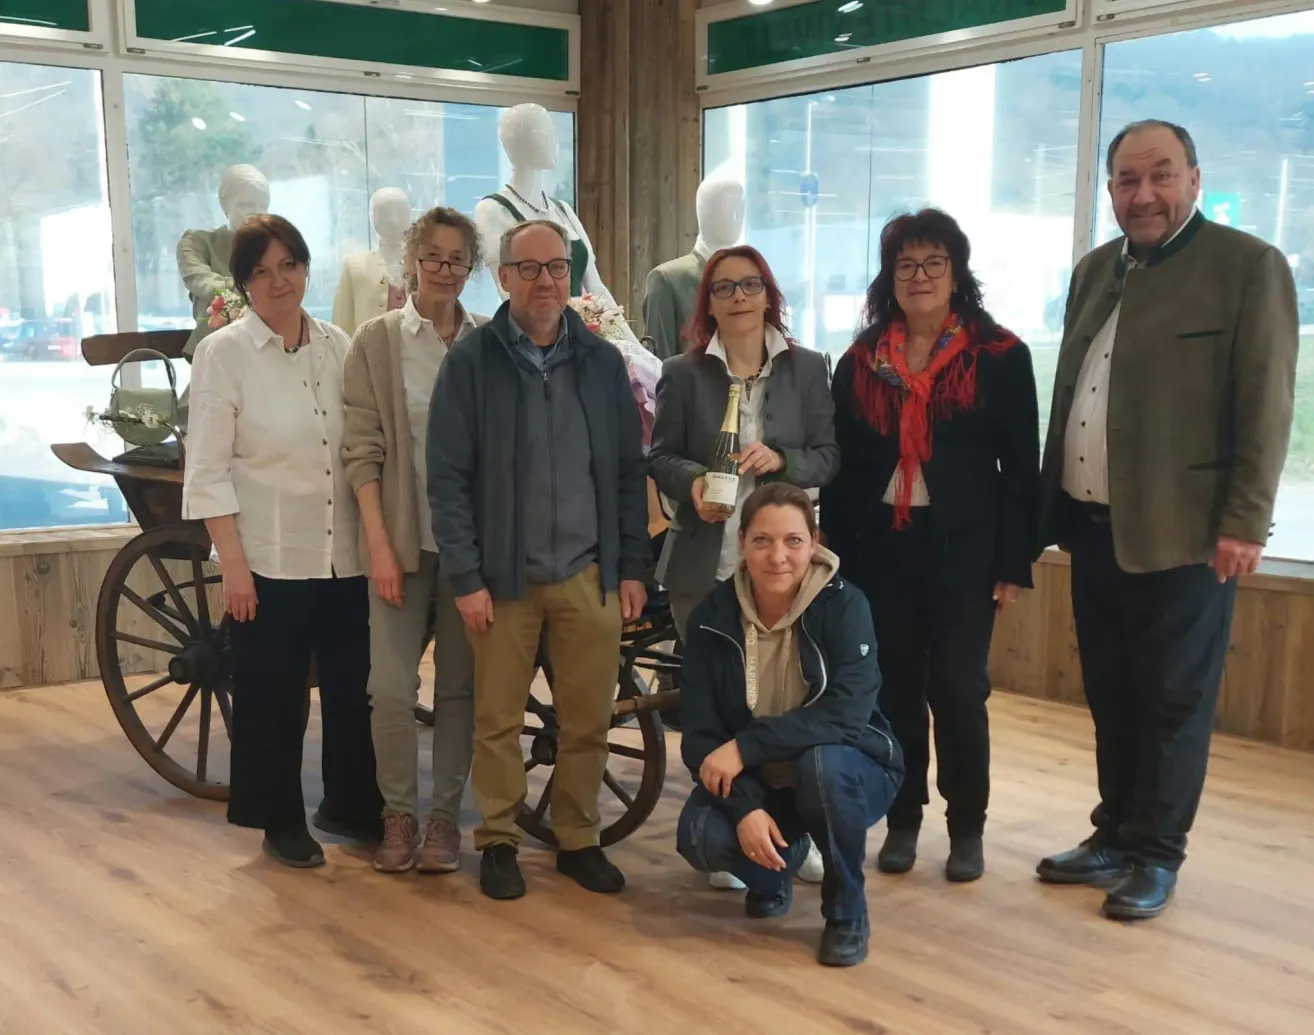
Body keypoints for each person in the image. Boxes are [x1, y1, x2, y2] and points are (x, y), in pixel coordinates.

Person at [1035, 120, 1298, 920]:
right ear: (1109, 189)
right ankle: (1114, 831)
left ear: (1194, 178)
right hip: (1092, 527)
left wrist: (1245, 520)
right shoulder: (1093, 272)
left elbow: (1267, 403)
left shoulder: (1247, 267)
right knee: (1112, 695)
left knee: (1172, 700)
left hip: (1186, 535)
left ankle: (1157, 852)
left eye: (1160, 175)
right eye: (1126, 179)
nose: (1142, 194)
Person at [427, 219, 650, 900]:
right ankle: (498, 837)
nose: (546, 280)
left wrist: (633, 567)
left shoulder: (602, 363)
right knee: (496, 718)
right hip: (503, 576)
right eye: (530, 269)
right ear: (503, 278)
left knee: (587, 717)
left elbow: (623, 472)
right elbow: (448, 478)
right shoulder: (470, 363)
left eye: (557, 267)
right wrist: (466, 576)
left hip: (589, 572)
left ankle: (577, 836)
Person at [820, 208, 1038, 883]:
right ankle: (904, 814)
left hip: (963, 552)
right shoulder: (862, 360)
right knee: (894, 688)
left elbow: (1021, 468)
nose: (919, 276)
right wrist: (837, 552)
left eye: (933, 262)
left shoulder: (998, 355)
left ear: (956, 273)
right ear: (890, 276)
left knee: (959, 688)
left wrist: (1012, 562)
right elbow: (845, 465)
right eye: (906, 264)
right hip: (879, 549)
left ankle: (965, 823)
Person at [182, 214, 383, 868]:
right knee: (274, 695)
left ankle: (350, 804)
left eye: (288, 265)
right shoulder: (224, 354)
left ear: (304, 268)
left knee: (355, 686)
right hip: (268, 559)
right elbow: (207, 469)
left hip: (343, 552)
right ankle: (280, 819)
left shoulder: (338, 344)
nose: (278, 281)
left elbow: (356, 443)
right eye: (261, 272)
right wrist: (232, 566)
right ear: (242, 284)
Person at [650, 244, 836, 890]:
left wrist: (782, 459)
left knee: (787, 702)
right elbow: (662, 457)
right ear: (708, 302)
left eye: (749, 284)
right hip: (705, 564)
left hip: (784, 566)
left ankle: (796, 832)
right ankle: (733, 832)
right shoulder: (683, 372)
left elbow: (828, 457)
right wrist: (696, 480)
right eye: (723, 287)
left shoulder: (808, 368)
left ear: (768, 293)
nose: (737, 296)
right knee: (719, 709)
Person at [676, 483, 903, 968]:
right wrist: (743, 810)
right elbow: (699, 738)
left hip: (850, 768)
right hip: (762, 781)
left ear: (814, 541)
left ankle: (847, 912)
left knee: (824, 765)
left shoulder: (846, 606)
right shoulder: (710, 620)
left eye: (793, 541)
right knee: (699, 836)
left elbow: (846, 714)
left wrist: (746, 746)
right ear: (742, 542)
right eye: (762, 541)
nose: (778, 556)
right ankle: (777, 868)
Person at [342, 207, 487, 874]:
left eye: (458, 258)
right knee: (392, 687)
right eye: (433, 255)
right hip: (400, 540)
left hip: (468, 552)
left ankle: (442, 820)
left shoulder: (488, 342)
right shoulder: (376, 341)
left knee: (459, 689)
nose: (445, 268)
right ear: (412, 259)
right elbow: (362, 451)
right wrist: (376, 541)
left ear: (471, 267)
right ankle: (396, 812)